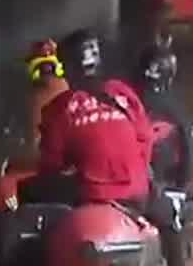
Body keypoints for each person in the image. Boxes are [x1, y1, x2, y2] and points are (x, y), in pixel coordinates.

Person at [20, 29, 155, 217]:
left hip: (91, 194)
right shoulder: (123, 93)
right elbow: (146, 141)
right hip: (137, 192)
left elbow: (51, 164)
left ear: (65, 68)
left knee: (27, 191)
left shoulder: (60, 107)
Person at [137, 43, 193, 191]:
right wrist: (184, 182)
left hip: (141, 182)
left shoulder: (130, 100)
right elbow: (187, 143)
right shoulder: (173, 105)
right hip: (167, 181)